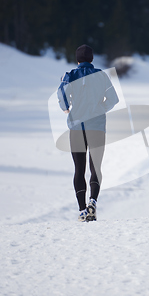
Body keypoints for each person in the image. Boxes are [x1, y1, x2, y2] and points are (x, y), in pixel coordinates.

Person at [57, 44, 119, 222]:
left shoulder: (71, 75)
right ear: (91, 59)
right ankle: (93, 201)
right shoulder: (101, 76)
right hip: (97, 127)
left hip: (77, 128)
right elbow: (114, 99)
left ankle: (82, 210)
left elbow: (61, 93)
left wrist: (66, 108)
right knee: (95, 168)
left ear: (77, 60)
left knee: (79, 169)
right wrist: (101, 108)